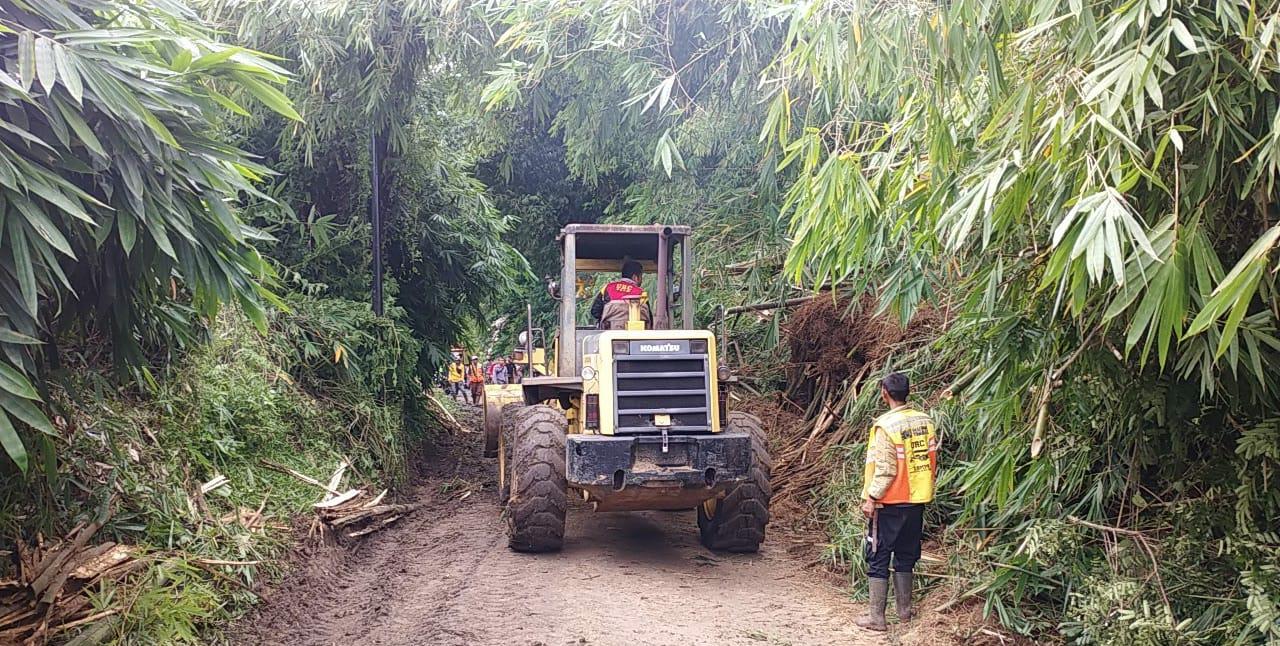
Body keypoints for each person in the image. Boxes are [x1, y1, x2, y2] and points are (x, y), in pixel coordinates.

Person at [857, 372, 938, 631]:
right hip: (916, 500)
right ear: (908, 392)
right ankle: (904, 612)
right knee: (906, 555)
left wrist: (872, 498)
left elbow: (886, 469)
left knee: (878, 555)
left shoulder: (885, 426)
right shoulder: (925, 421)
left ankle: (876, 618)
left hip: (888, 502)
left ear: (884, 393)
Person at [590, 260, 651, 329]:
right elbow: (649, 319)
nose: (641, 281)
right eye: (641, 277)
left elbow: (595, 312)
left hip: (609, 334)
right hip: (635, 335)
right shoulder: (641, 293)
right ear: (635, 277)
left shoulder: (607, 288)